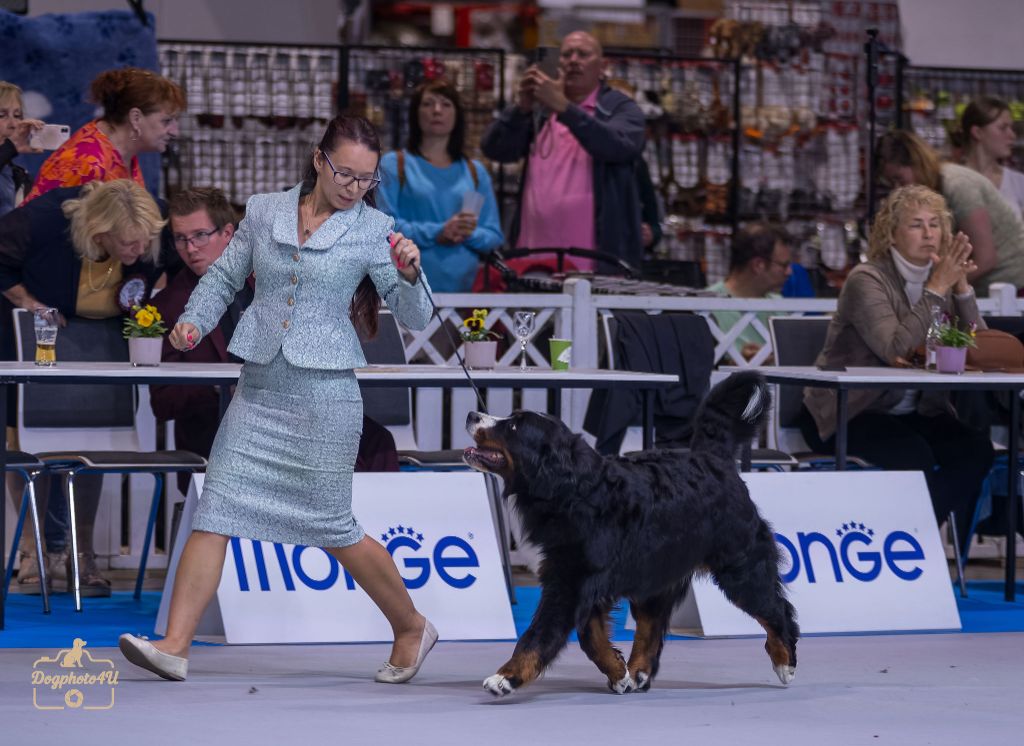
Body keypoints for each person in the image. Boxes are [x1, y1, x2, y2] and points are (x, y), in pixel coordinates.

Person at [119, 115, 438, 685]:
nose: (354, 187)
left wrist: (409, 274)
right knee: (214, 508)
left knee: (335, 527)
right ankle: (173, 645)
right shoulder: (264, 210)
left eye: (367, 179)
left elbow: (415, 317)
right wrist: (192, 323)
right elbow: (222, 279)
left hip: (326, 395)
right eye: (345, 173)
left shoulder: (375, 229)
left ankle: (411, 625)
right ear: (319, 159)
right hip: (260, 386)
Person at [150, 186, 401, 491]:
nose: (190, 248)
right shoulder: (168, 305)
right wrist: (218, 388)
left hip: (294, 410)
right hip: (223, 428)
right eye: (180, 238)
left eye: (200, 235)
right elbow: (162, 403)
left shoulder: (274, 280)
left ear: (228, 233)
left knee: (377, 441)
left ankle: (367, 528)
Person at [800, 184, 994, 551]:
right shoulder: (867, 279)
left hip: (914, 411)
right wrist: (937, 288)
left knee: (976, 449)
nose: (928, 233)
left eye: (935, 224)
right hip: (848, 411)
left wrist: (964, 290)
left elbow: (980, 350)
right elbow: (896, 350)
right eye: (916, 225)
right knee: (913, 456)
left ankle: (907, 540)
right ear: (892, 233)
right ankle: (900, 549)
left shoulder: (945, 282)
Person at [0, 179, 166, 596]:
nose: (137, 253)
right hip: (35, 335)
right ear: (99, 234)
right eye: (129, 244)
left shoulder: (148, 222)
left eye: (144, 243)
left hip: (102, 340)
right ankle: (33, 552)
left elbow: (178, 264)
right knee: (30, 444)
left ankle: (82, 552)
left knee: (92, 446)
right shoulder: (41, 221)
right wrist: (28, 302)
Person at [481, 30, 645, 273]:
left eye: (583, 54)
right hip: (532, 258)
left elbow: (618, 147)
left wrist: (565, 108)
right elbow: (495, 149)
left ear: (602, 66)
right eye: (566, 54)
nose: (574, 60)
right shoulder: (540, 112)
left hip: (596, 263)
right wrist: (521, 109)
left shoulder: (619, 108)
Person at [377, 79, 503, 292]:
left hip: (466, 296)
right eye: (428, 104)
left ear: (457, 115)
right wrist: (438, 232)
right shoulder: (393, 165)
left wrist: (465, 233)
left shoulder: (475, 172)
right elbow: (381, 227)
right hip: (405, 288)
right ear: (415, 114)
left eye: (446, 104)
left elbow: (493, 236)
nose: (437, 110)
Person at [876, 129, 1024, 296]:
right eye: (891, 183)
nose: (898, 189)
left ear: (917, 164)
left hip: (1012, 289)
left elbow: (986, 258)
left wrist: (938, 288)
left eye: (900, 179)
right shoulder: (934, 191)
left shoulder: (958, 185)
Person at [25, 67, 184, 202]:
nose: (175, 131)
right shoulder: (84, 164)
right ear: (135, 118)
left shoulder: (123, 153)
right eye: (167, 121)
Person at [706, 224, 793, 361]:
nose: (789, 272)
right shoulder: (706, 306)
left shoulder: (779, 305)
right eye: (783, 265)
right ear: (758, 265)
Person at [957, 96, 1024, 219]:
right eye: (1003, 128)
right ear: (977, 132)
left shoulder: (1019, 182)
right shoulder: (953, 182)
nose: (1012, 135)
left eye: (1011, 128)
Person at [0, 81, 43, 217]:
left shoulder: (21, 176)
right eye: (2, 115)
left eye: (17, 116)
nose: (13, 124)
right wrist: (12, 146)